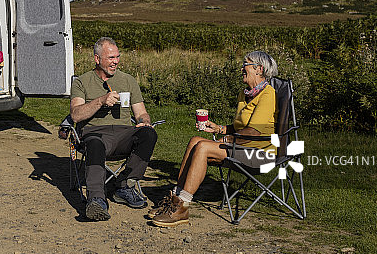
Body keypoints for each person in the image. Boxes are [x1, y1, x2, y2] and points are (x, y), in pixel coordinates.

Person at [150, 50, 278, 227]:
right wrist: (220, 129)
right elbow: (241, 127)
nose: (242, 68)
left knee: (203, 147)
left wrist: (227, 140)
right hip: (243, 148)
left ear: (259, 69)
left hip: (260, 154)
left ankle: (182, 207)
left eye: (245, 64)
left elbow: (255, 132)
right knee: (195, 140)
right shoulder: (246, 94)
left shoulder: (268, 95)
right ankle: (175, 199)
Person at [70, 37, 158, 221]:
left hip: (123, 134)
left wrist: (144, 121)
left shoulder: (128, 80)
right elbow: (76, 115)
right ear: (97, 59)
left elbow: (142, 113)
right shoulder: (82, 82)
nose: (115, 61)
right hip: (95, 134)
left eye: (117, 57)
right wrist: (101, 101)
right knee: (94, 144)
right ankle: (97, 200)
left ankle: (124, 186)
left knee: (148, 134)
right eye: (110, 57)